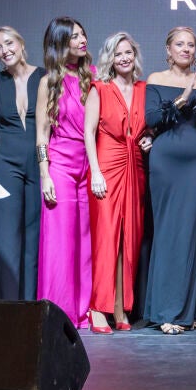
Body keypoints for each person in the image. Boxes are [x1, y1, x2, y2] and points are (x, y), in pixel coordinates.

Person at [143, 27, 196, 335]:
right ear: (168, 50)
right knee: (167, 232)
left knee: (188, 235)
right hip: (165, 161)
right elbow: (152, 119)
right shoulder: (156, 79)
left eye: (191, 45)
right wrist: (185, 97)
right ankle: (166, 311)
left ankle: (186, 310)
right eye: (180, 44)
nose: (186, 49)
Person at [85, 32, 151, 334]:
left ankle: (120, 307)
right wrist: (96, 172)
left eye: (128, 52)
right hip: (107, 165)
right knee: (106, 237)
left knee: (129, 239)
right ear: (110, 59)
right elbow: (89, 133)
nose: (124, 58)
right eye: (118, 53)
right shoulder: (99, 88)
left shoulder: (144, 89)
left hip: (135, 165)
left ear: (134, 56)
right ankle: (97, 308)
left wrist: (150, 138)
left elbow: (149, 127)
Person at [35, 17, 95, 329]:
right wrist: (45, 174)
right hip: (59, 166)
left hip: (88, 166)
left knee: (84, 243)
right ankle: (58, 314)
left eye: (83, 34)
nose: (82, 40)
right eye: (74, 37)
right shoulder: (49, 82)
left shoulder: (92, 76)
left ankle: (82, 312)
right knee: (60, 244)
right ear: (60, 43)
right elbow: (41, 136)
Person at [0, 26, 45, 300]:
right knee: (7, 239)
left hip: (37, 163)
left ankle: (30, 307)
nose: (4, 51)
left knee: (34, 237)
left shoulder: (45, 76)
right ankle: (9, 306)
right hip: (3, 163)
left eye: (9, 43)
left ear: (21, 44)